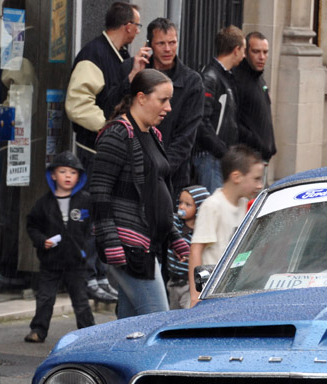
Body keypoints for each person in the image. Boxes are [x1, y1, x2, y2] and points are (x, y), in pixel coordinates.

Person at [65, 2, 152, 303]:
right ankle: (90, 275)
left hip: (106, 149)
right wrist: (109, 128)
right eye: (137, 25)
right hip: (93, 150)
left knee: (106, 214)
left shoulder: (120, 56)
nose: (138, 31)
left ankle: (101, 274)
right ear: (128, 26)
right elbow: (77, 105)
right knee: (95, 213)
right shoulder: (94, 55)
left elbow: (115, 96)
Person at [92, 69, 190, 319]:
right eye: (163, 100)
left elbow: (154, 195)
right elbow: (100, 193)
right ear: (141, 97)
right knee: (157, 321)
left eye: (169, 100)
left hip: (147, 247)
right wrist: (111, 244)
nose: (168, 107)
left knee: (132, 327)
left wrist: (173, 236)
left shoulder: (153, 135)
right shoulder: (118, 134)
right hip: (130, 249)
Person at [24, 151, 95, 343]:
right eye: (63, 172)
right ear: (53, 175)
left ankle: (89, 333)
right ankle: (38, 330)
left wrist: (87, 248)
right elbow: (32, 226)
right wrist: (41, 241)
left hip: (76, 261)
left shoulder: (86, 201)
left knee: (81, 300)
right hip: (50, 260)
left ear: (79, 176)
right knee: (45, 298)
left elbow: (93, 226)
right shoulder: (44, 203)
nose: (68, 176)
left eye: (73, 172)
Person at [187, 145, 264, 307]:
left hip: (232, 291)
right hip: (211, 294)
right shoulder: (212, 206)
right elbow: (196, 250)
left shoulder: (244, 205)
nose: (260, 186)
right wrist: (196, 295)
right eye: (256, 179)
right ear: (237, 177)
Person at [142, 18, 204, 192]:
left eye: (172, 42)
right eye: (161, 43)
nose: (168, 49)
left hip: (172, 178)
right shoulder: (134, 72)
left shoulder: (192, 81)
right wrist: (132, 77)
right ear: (149, 45)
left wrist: (160, 172)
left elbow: (186, 137)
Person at [192, 26, 246, 194]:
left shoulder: (224, 76)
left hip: (218, 157)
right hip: (211, 158)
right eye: (243, 50)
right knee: (213, 205)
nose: (244, 55)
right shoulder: (211, 77)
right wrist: (222, 151)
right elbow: (202, 120)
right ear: (236, 50)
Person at [234, 31, 276, 165]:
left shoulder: (259, 79)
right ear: (245, 52)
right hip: (246, 159)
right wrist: (257, 144)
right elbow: (233, 122)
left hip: (261, 158)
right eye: (256, 52)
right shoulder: (238, 80)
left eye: (265, 52)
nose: (261, 57)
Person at [165, 185, 209, 309]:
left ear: (199, 208)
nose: (181, 207)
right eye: (180, 202)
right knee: (173, 311)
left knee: (187, 310)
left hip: (189, 285)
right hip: (173, 282)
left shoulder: (200, 233)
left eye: (187, 204)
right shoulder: (176, 223)